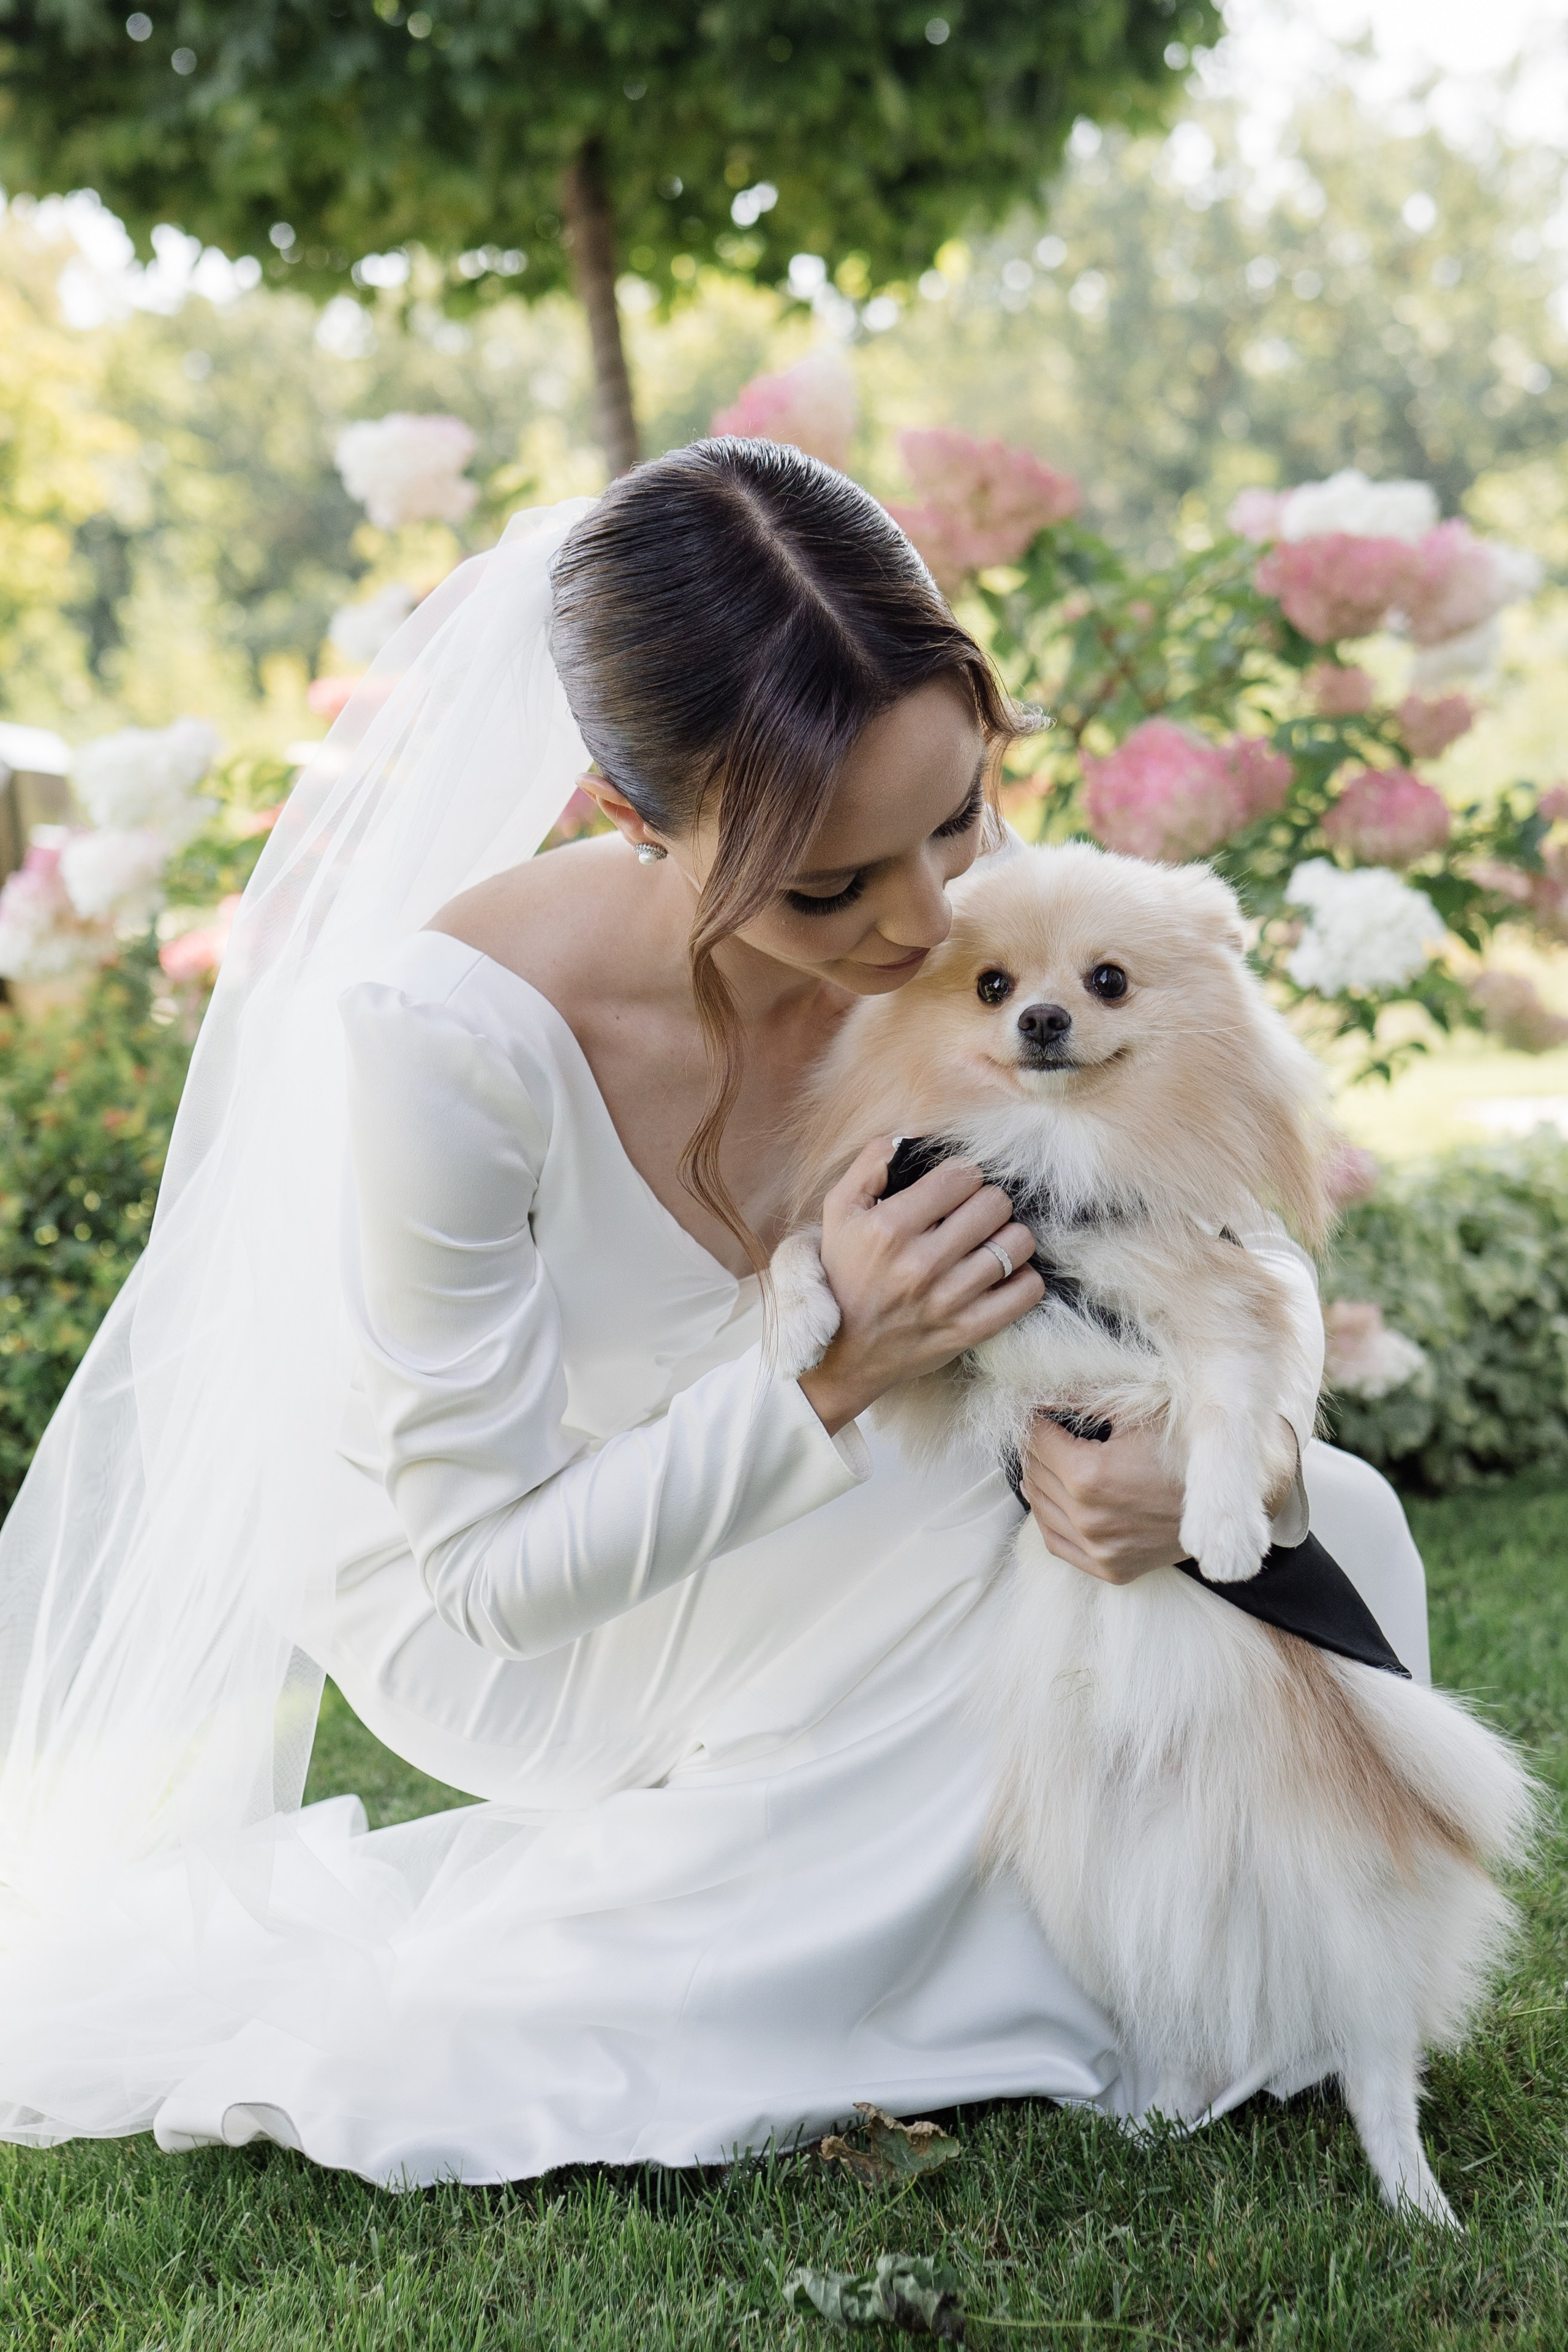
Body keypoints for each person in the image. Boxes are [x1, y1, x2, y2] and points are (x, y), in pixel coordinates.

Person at [0, 442, 1430, 2185]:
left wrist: (1237, 1456)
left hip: (886, 1452)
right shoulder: (450, 1043)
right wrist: (830, 1372)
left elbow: (1212, 1218)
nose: (922, 925)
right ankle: (919, 1980)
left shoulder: (957, 912)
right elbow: (483, 1576)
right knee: (945, 1501)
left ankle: (1190, 1952)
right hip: (530, 1602)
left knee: (1329, 1526)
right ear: (633, 824)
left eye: (959, 816)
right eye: (829, 887)